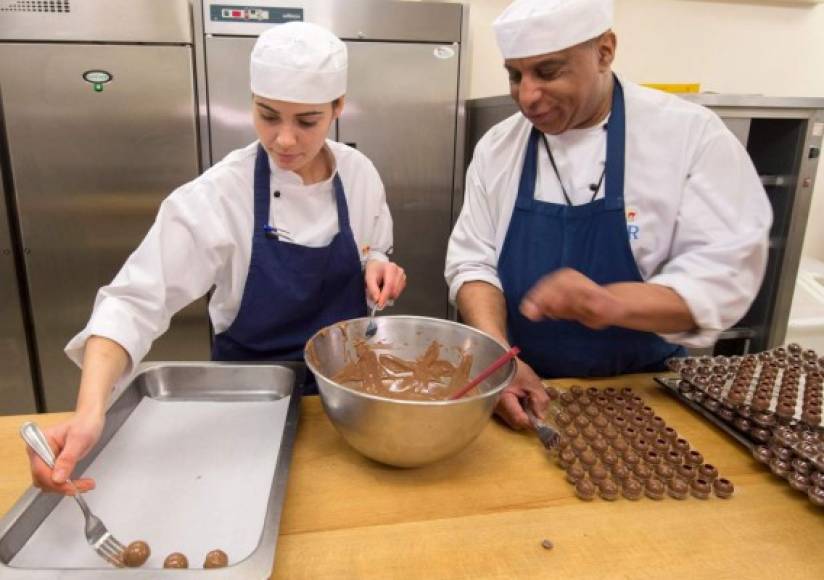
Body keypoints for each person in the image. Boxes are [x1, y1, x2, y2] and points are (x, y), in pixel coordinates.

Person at [28, 22, 406, 494]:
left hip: (346, 403)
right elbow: (133, 302)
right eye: (268, 116)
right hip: (247, 405)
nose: (284, 140)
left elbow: (374, 245)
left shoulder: (359, 174)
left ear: (338, 108)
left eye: (306, 121)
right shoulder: (219, 195)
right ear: (251, 102)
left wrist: (376, 265)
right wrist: (89, 411)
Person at [445, 0, 771, 430]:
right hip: (522, 386)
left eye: (547, 72)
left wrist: (610, 303)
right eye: (514, 75)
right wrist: (499, 359)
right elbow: (473, 263)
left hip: (646, 388)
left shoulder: (688, 136)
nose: (526, 96)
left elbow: (722, 277)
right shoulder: (498, 147)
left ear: (604, 51)